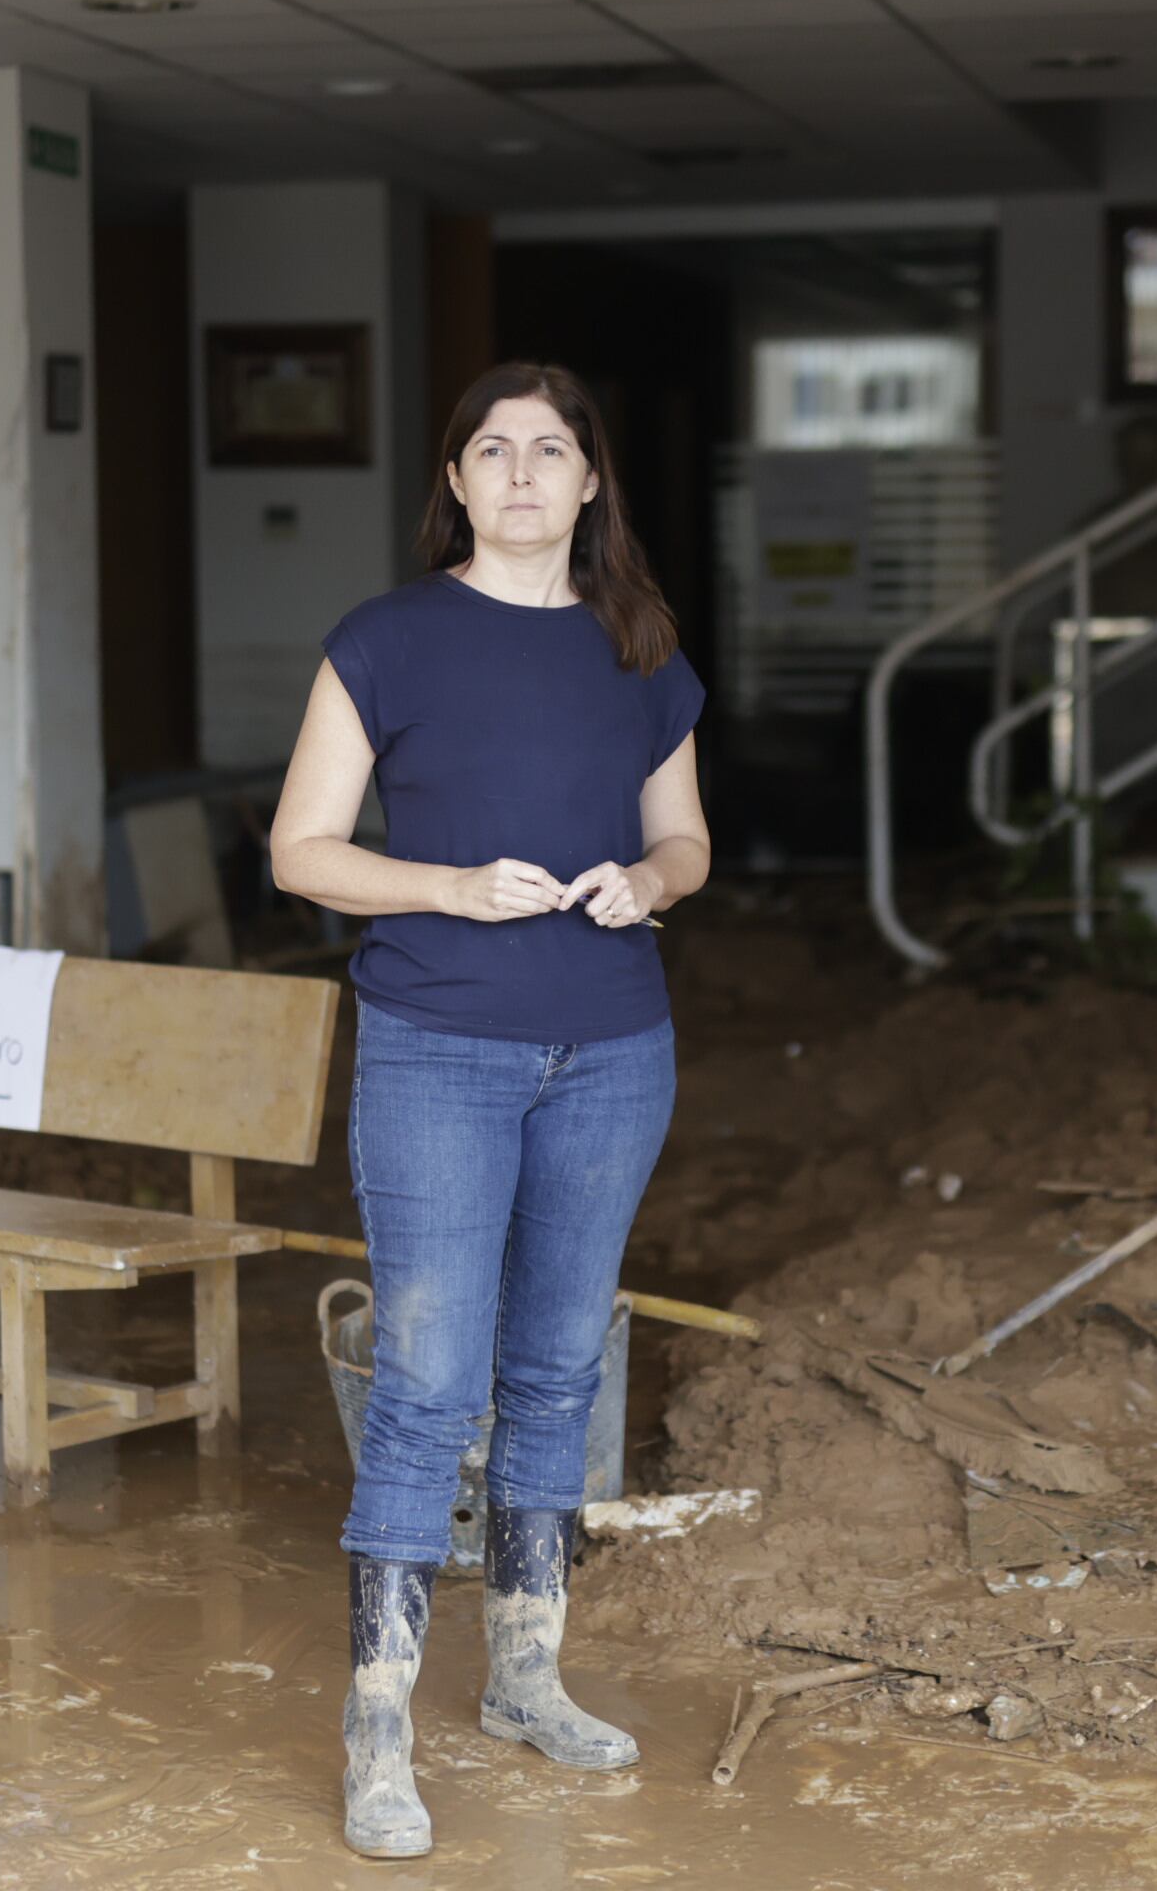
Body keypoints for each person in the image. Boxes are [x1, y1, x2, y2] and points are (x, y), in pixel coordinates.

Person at [269, 362, 711, 1859]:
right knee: (428, 1381)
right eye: (491, 450)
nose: (522, 472)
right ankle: (378, 1730)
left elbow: (687, 837)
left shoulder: (640, 646)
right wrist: (451, 886)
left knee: (558, 1368)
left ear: (592, 482)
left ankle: (525, 1675)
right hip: (437, 1045)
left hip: (612, 1051)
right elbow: (301, 852)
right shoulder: (386, 642)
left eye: (551, 449)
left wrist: (650, 882)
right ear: (453, 482)